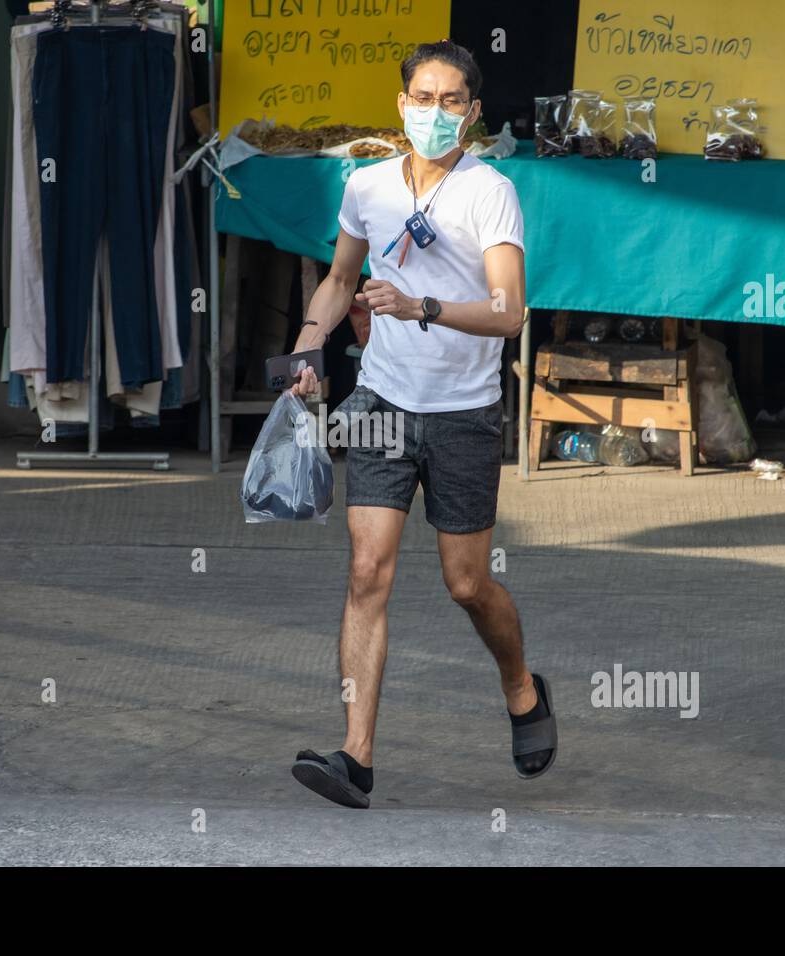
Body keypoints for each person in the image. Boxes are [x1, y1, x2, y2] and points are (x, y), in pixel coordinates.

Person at [287, 40, 556, 809]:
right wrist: (308, 346)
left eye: (449, 101)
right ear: (400, 103)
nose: (432, 112)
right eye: (421, 97)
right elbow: (341, 278)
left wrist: (421, 306)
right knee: (367, 572)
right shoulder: (366, 185)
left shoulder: (489, 192)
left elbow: (511, 313)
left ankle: (521, 687)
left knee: (467, 583)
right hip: (381, 403)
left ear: (472, 114)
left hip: (465, 413)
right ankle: (355, 757)